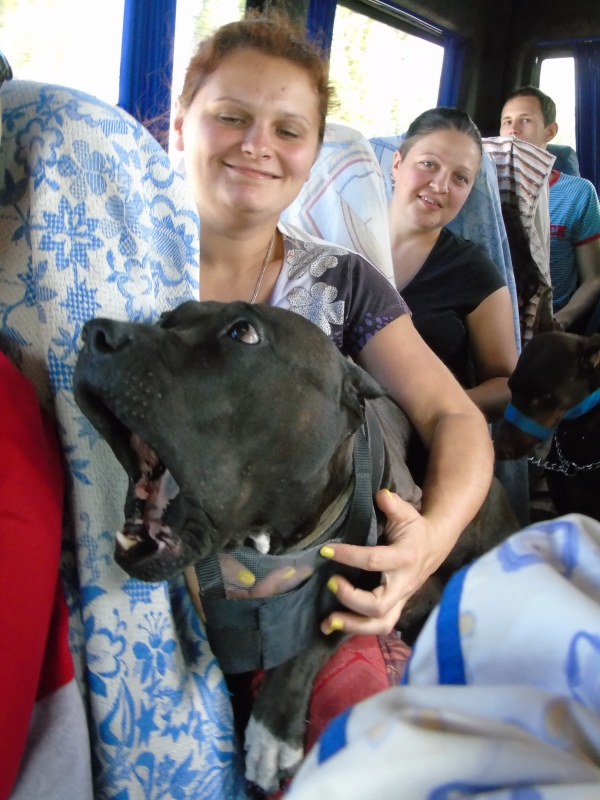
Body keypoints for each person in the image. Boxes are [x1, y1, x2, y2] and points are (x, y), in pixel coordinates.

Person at [171, 13, 493, 637]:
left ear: (313, 153)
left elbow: (454, 416)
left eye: (288, 130)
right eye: (231, 116)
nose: (257, 145)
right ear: (182, 125)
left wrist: (428, 542)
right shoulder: (109, 263)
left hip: (291, 601)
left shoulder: (342, 282)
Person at [388, 108, 518, 422]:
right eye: (428, 164)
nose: (441, 185)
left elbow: (506, 385)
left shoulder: (474, 271)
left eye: (460, 177)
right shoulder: (341, 243)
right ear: (397, 163)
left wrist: (438, 408)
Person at [500, 86, 600, 331]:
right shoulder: (486, 189)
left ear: (550, 131)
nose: (513, 130)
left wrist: (561, 321)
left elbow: (594, 278)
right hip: (495, 316)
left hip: (550, 321)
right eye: (507, 121)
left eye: (525, 120)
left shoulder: (578, 192)